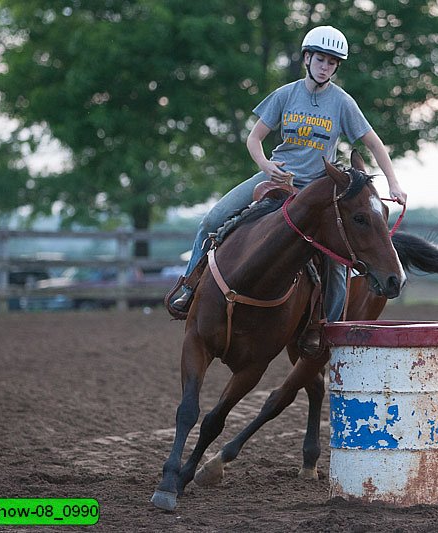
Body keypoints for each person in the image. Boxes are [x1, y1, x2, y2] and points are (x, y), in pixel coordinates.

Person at [171, 26, 407, 339]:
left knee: (337, 263)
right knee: (212, 220)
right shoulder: (286, 94)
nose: (325, 66)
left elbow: (374, 142)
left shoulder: (342, 103)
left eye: (332, 62)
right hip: (276, 178)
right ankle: (189, 288)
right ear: (307, 58)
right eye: (320, 59)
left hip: (320, 188)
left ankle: (327, 330)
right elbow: (254, 138)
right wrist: (266, 166)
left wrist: (393, 184)